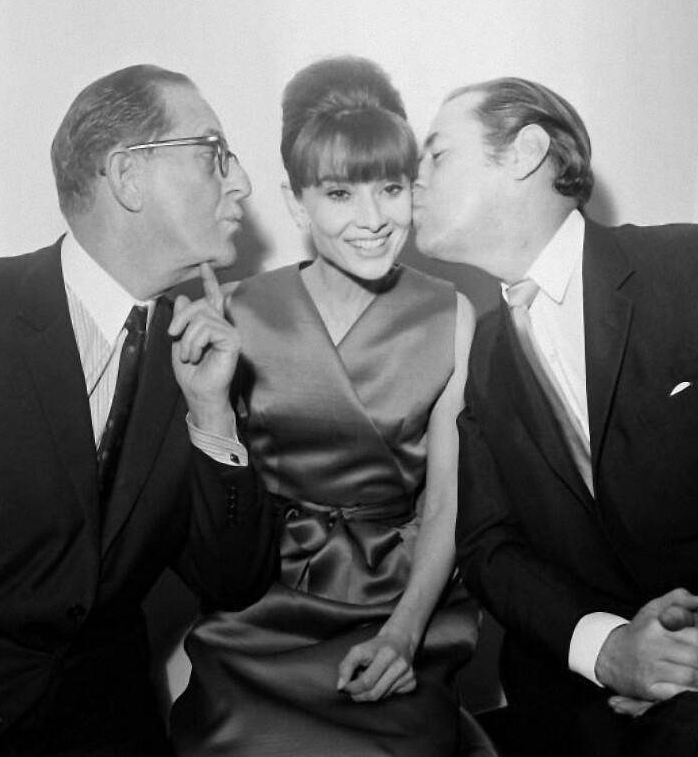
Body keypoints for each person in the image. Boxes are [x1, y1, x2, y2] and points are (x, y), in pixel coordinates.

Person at [412, 76, 698, 756]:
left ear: (525, 152)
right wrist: (608, 650)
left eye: (435, 155)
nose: (414, 182)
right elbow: (489, 545)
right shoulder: (484, 352)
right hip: (581, 695)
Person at [170, 56, 479, 757]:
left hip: (400, 600)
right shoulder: (236, 311)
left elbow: (446, 503)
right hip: (260, 606)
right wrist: (206, 400)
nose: (372, 221)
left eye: (391, 189)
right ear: (296, 203)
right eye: (339, 193)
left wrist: (403, 635)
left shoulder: (452, 314)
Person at [0, 64, 278, 757]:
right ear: (127, 175)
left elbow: (233, 581)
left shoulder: (200, 355)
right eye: (213, 153)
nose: (241, 183)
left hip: (109, 729)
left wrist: (212, 414)